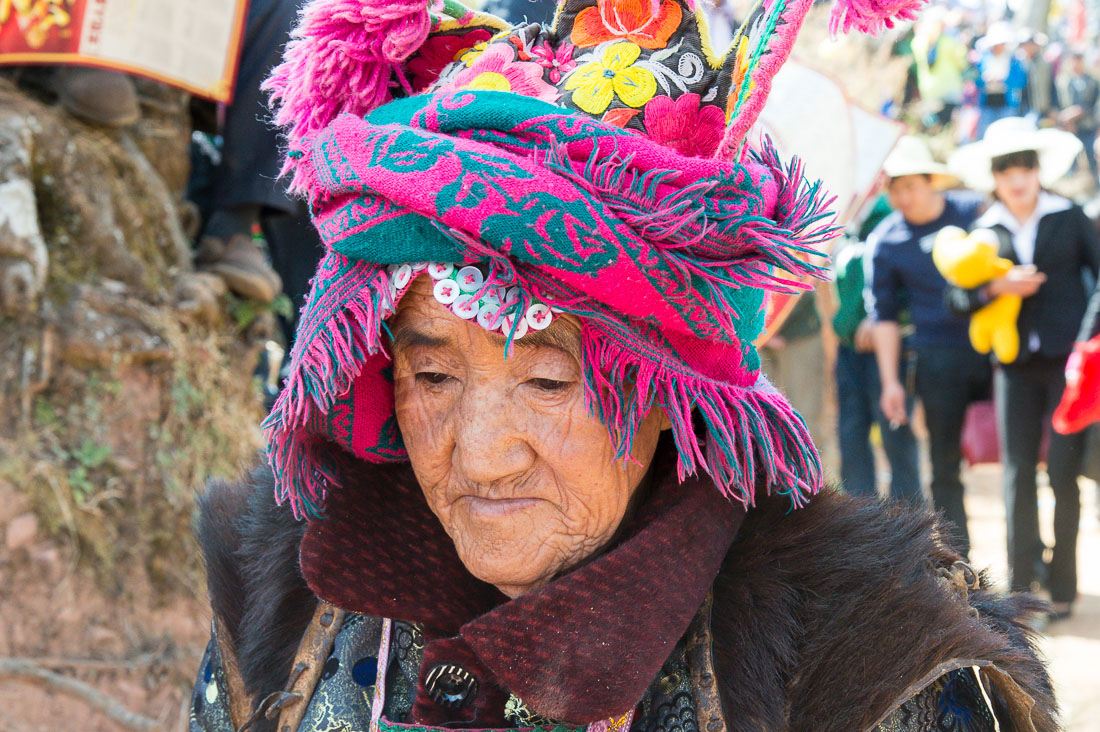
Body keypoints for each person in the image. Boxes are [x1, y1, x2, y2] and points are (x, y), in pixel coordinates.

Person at [188, 1, 1058, 731]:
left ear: (670, 393)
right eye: (433, 378)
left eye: (548, 381)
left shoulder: (875, 659)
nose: (481, 455)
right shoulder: (284, 594)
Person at [948, 117, 1100, 620]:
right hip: (1012, 367)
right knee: (1016, 475)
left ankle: (1063, 585)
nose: (1017, 176)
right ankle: (1022, 590)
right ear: (993, 175)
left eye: (1026, 165)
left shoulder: (1070, 215)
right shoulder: (985, 230)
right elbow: (957, 297)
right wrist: (998, 288)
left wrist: (1085, 341)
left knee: (1062, 471)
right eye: (1006, 167)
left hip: (1068, 366)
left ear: (1039, 170)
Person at [865, 136, 989, 554]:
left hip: (994, 349)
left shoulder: (973, 212)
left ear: (931, 181)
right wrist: (890, 383)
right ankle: (962, 559)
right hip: (937, 357)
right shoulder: (887, 240)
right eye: (894, 188)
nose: (902, 196)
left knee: (1017, 456)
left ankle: (1032, 558)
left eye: (910, 185)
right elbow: (882, 317)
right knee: (944, 463)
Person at [833, 199, 922, 503]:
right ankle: (860, 523)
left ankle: (908, 527)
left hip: (892, 348)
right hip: (849, 353)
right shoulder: (845, 224)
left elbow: (909, 287)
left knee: (896, 437)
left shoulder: (891, 221)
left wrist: (878, 319)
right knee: (852, 436)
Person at [974, 22, 1027, 138]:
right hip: (987, 102)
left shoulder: (1014, 60)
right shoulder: (983, 59)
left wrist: (1003, 82)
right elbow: (976, 79)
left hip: (1006, 103)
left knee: (1007, 134)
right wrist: (986, 81)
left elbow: (1020, 80)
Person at [1056, 50, 1099, 185]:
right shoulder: (1063, 82)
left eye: (1078, 60)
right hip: (1070, 127)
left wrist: (1081, 111)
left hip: (1087, 125)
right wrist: (1067, 118)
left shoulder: (1092, 81)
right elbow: (1059, 104)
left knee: (1091, 156)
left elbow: (1095, 103)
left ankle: (1095, 186)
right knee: (1070, 158)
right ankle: (1071, 186)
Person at [1018, 33, 1059, 124]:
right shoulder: (1019, 63)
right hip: (1023, 110)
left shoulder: (1045, 65)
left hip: (1041, 109)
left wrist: (1054, 108)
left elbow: (1052, 87)